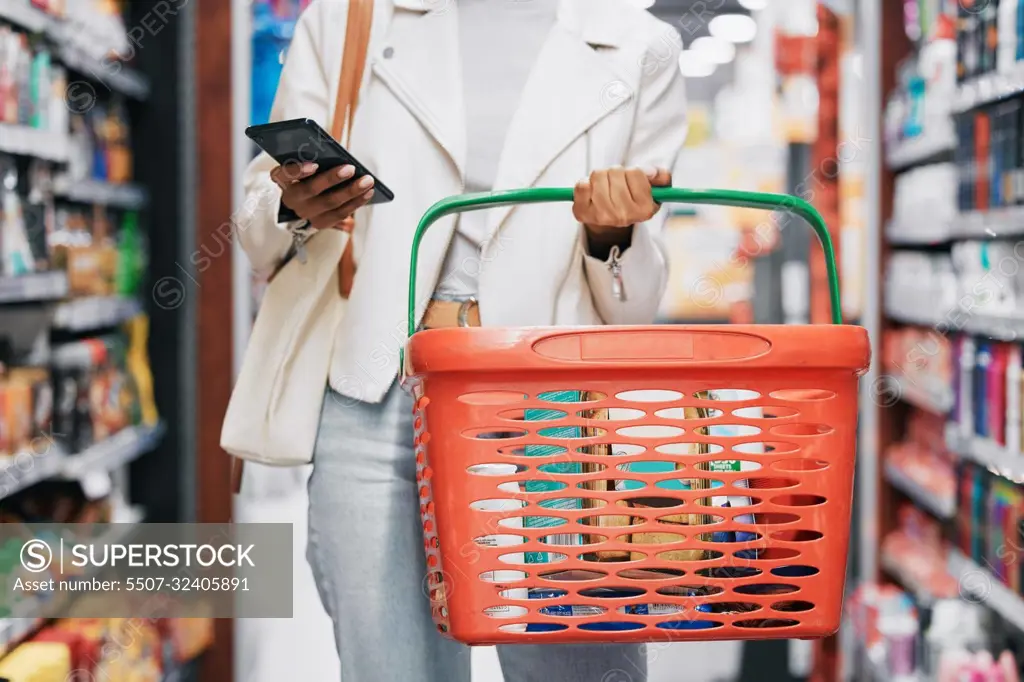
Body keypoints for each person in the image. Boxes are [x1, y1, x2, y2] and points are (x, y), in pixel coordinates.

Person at [236, 0, 689, 680]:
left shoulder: (639, 43)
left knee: (578, 666)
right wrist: (292, 205)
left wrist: (612, 234)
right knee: (390, 667)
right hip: (379, 392)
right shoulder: (346, 19)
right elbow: (258, 224)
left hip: (556, 412)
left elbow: (636, 299)